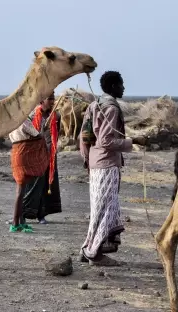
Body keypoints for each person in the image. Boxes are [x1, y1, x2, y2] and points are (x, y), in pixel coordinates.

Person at [78, 70, 148, 266]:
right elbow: (107, 141)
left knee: (99, 209)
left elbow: (84, 136)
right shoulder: (112, 108)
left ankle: (88, 249)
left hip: (96, 164)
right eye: (121, 84)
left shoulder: (94, 105)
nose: (123, 87)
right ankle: (95, 254)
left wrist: (87, 160)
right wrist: (134, 141)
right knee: (106, 210)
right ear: (113, 86)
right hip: (107, 165)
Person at [8, 93, 57, 232]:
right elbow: (37, 135)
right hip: (23, 156)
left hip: (17, 154)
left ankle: (20, 222)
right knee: (20, 191)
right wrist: (43, 132)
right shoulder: (23, 120)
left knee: (20, 190)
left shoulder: (12, 121)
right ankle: (15, 224)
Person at [22, 92, 62, 224]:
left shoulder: (56, 116)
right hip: (35, 156)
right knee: (33, 185)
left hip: (50, 155)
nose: (52, 101)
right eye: (49, 99)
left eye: (53, 99)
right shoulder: (32, 116)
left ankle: (41, 214)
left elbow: (56, 135)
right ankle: (22, 214)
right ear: (41, 101)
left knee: (46, 185)